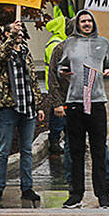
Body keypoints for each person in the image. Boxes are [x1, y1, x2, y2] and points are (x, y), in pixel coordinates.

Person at [50, 10, 109, 208]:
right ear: (77, 24)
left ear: (93, 23)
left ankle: (103, 195)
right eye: (83, 21)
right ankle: (76, 195)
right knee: (76, 151)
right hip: (75, 102)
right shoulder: (69, 44)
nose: (86, 24)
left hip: (96, 102)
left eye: (89, 21)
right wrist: (64, 72)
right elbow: (60, 68)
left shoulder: (103, 42)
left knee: (98, 150)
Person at [0, 20, 45, 208]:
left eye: (21, 31)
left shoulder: (26, 52)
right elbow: (0, 56)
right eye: (15, 32)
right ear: (7, 34)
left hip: (28, 107)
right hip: (8, 107)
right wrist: (12, 35)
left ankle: (27, 187)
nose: (19, 34)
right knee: (3, 150)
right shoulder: (2, 52)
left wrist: (38, 105)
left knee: (27, 151)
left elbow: (32, 80)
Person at [42, 13, 69, 158]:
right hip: (57, 85)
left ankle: (56, 141)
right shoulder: (56, 44)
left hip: (54, 85)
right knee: (58, 116)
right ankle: (54, 143)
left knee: (58, 115)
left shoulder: (56, 41)